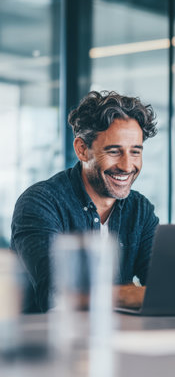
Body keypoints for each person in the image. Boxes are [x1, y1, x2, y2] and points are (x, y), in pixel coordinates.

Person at [11, 90, 159, 313]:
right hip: (50, 343)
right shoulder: (41, 202)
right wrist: (127, 292)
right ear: (82, 149)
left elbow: (162, 289)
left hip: (122, 339)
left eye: (135, 152)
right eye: (114, 151)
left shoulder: (141, 209)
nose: (128, 166)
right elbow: (56, 296)